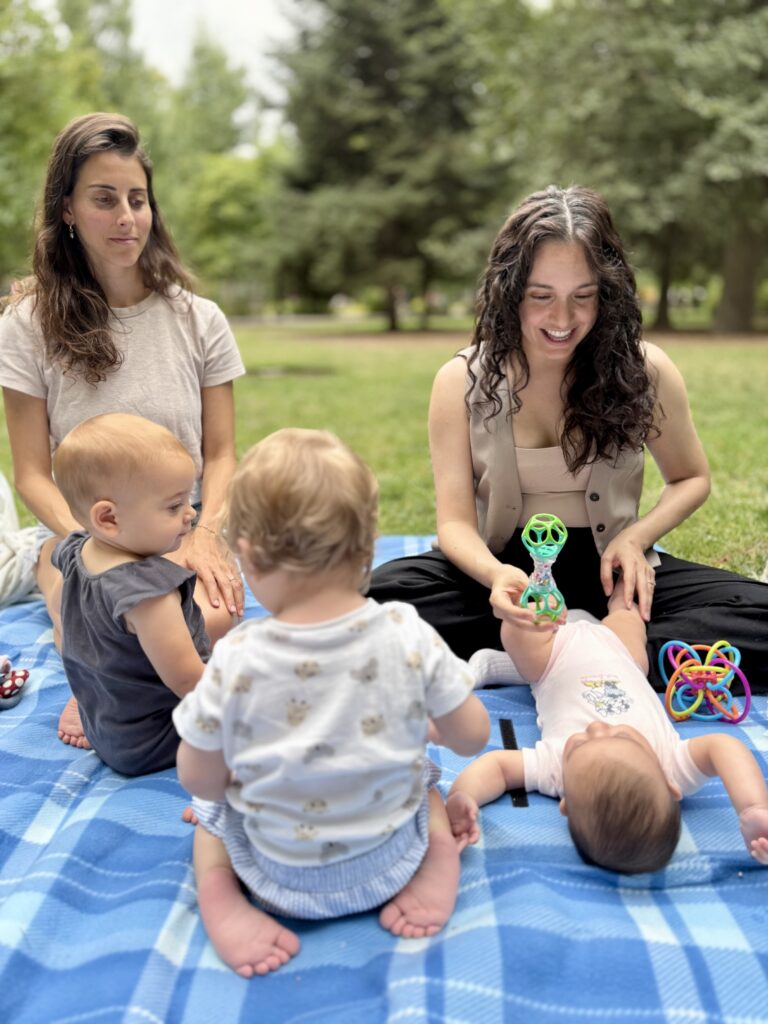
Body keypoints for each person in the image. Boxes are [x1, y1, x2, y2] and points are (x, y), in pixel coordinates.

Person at [367, 185, 768, 691]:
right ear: (509, 292)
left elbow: (691, 478)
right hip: (503, 575)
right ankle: (612, 653)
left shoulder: (646, 370)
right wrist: (496, 579)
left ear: (608, 293)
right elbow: (453, 523)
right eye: (541, 297)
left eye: (583, 297)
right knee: (362, 612)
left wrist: (636, 537)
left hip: (615, 577)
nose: (562, 320)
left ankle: (541, 654)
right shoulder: (462, 381)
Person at [173, 428, 491, 976]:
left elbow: (199, 779)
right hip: (391, 861)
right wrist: (432, 725)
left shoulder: (237, 656)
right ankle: (440, 859)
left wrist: (230, 781)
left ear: (247, 556)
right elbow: (473, 736)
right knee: (426, 778)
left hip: (277, 876)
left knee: (209, 817)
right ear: (369, 548)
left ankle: (223, 900)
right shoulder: (404, 632)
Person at [0, 112, 246, 747]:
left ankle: (123, 686)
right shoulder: (26, 324)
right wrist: (94, 547)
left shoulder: (199, 319)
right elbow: (30, 470)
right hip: (84, 533)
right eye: (104, 199)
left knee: (211, 620)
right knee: (80, 612)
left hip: (179, 523)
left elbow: (221, 454)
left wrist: (205, 537)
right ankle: (104, 690)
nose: (126, 217)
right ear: (68, 212)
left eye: (137, 200)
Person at [446, 588, 768, 874]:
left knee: (522, 633)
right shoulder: (672, 764)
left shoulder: (556, 770)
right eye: (623, 736)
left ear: (567, 804)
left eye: (579, 744)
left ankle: (505, 656)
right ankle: (617, 591)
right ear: (672, 788)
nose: (598, 728)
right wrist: (753, 807)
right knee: (628, 611)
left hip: (555, 656)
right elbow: (725, 748)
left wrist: (464, 795)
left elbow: (497, 768)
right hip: (624, 655)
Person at [51, 414, 212, 775]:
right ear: (108, 518)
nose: (189, 514)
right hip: (156, 740)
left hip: (110, 725)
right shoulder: (148, 595)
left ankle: (83, 704)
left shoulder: (75, 552)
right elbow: (189, 682)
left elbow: (63, 612)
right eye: (173, 506)